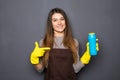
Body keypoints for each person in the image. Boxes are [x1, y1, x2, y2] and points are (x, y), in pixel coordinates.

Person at [30, 8, 99, 80]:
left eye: (62, 19)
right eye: (55, 20)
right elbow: (40, 69)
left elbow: (75, 69)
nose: (59, 23)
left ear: (65, 21)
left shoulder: (74, 42)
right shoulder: (44, 42)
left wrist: (86, 57)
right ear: (51, 24)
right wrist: (34, 59)